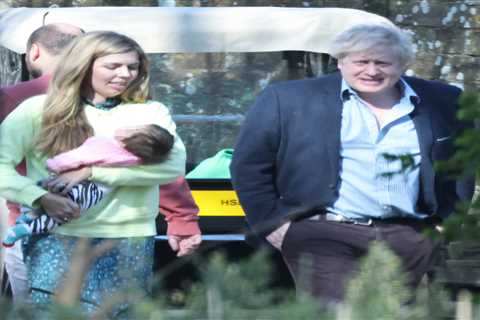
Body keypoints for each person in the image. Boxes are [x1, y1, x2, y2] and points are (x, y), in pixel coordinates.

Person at [230, 23, 474, 305]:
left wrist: (446, 224)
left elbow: (461, 164)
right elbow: (249, 167)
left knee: (394, 313)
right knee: (335, 312)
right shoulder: (286, 98)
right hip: (323, 233)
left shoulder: (443, 100)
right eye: (361, 61)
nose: (371, 71)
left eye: (382, 62)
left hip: (409, 236)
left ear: (403, 64)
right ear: (340, 61)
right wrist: (274, 227)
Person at [0, 23, 201, 304]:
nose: (125, 74)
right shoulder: (36, 110)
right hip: (56, 238)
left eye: (133, 67)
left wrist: (93, 172)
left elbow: (170, 168)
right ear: (83, 65)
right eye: (113, 66)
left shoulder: (151, 112)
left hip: (129, 241)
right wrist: (41, 198)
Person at [3, 124, 174, 247]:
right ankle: (28, 222)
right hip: (93, 195)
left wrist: (55, 164)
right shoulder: (137, 160)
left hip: (72, 184)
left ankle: (26, 225)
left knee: (53, 204)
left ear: (131, 137)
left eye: (134, 130)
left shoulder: (106, 146)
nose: (128, 128)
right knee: (58, 213)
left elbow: (78, 157)